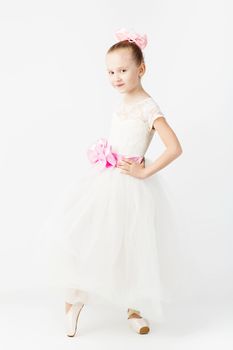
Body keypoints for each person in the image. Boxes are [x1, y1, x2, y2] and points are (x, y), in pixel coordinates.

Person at [46, 27, 183, 337]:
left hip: (133, 187)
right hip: (107, 182)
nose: (116, 77)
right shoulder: (121, 103)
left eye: (123, 70)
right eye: (110, 71)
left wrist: (144, 171)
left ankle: (134, 307)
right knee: (87, 235)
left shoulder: (150, 108)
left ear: (141, 69)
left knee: (132, 247)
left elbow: (174, 147)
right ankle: (75, 298)